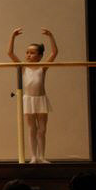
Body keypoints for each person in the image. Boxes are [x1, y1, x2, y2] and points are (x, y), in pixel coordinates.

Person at [8, 27, 58, 163]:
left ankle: (42, 156)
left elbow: (54, 52)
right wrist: (13, 36)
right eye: (27, 53)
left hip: (41, 99)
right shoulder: (23, 67)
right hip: (28, 100)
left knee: (42, 129)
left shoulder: (43, 67)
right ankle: (34, 156)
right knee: (32, 129)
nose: (28, 55)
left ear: (40, 56)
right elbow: (10, 53)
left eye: (32, 53)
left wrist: (51, 36)